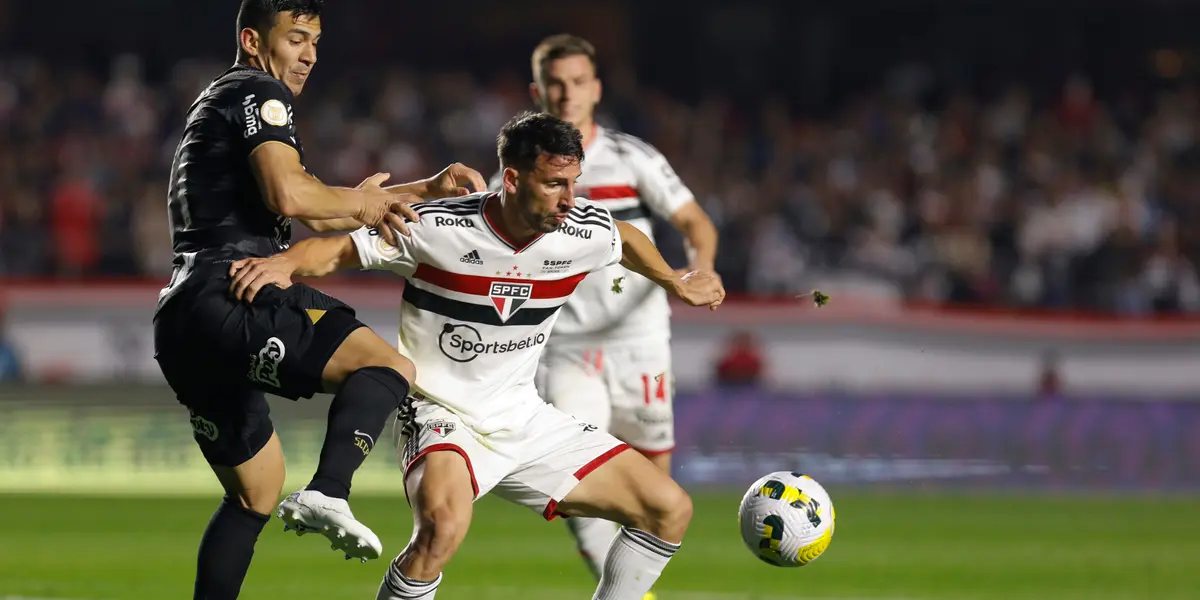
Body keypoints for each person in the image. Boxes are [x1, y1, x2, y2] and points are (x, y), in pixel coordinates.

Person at [228, 111, 726, 600]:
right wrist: (286, 263)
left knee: (669, 508)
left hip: (523, 416)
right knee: (441, 530)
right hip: (440, 413)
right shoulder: (438, 228)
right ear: (512, 178)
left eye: (575, 182)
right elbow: (339, 251)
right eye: (554, 184)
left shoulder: (579, 228)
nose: (569, 199)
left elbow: (624, 239)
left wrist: (673, 280)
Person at [152, 2, 485, 598]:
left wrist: (417, 191)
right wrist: (362, 204)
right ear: (253, 41)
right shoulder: (257, 91)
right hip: (230, 289)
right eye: (296, 37)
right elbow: (290, 194)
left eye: (316, 41)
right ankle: (330, 489)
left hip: (181, 317)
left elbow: (314, 197)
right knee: (387, 367)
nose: (309, 54)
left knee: (256, 491)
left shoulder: (223, 101)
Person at [489, 34, 720, 593]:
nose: (566, 93)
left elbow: (694, 222)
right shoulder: (516, 176)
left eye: (577, 82)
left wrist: (700, 268)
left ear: (596, 88)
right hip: (565, 348)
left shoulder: (632, 157)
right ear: (536, 90)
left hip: (639, 341)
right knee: (581, 479)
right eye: (555, 83)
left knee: (654, 493)